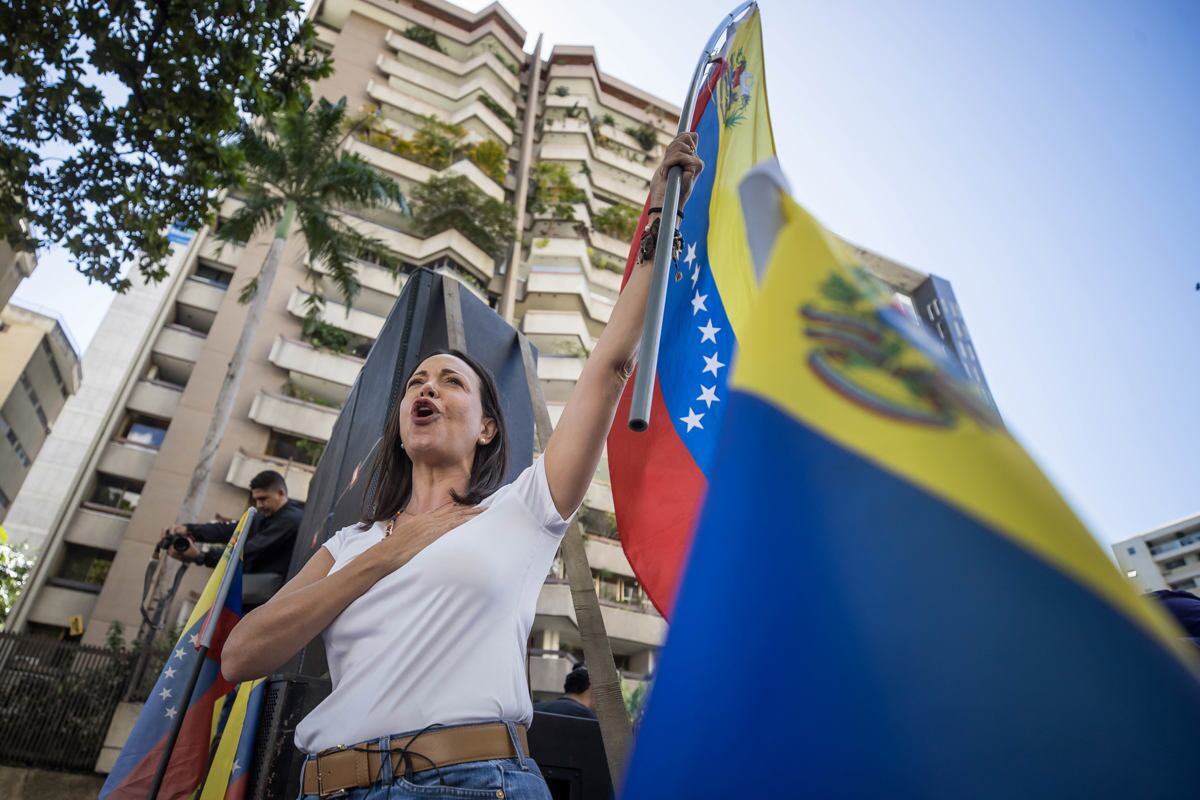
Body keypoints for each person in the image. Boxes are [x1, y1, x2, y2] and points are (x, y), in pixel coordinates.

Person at [221, 131, 704, 800]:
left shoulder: (522, 511)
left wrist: (657, 220)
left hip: (477, 784)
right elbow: (242, 655)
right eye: (417, 381)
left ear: (486, 426)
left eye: (449, 381)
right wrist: (380, 560)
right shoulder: (348, 546)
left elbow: (608, 367)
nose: (425, 388)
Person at [168, 469, 303, 609]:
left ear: (280, 493)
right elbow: (230, 530)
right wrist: (189, 530)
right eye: (256, 499)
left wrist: (201, 556)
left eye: (263, 499)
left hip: (271, 598)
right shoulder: (267, 516)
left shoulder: (290, 520)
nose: (259, 505)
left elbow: (249, 551)